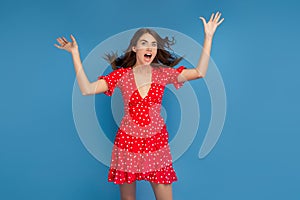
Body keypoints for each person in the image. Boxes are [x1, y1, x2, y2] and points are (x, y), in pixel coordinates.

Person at [55, 12, 224, 200]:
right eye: (144, 43)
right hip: (128, 143)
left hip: (156, 143)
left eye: (153, 44)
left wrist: (208, 37)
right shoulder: (121, 76)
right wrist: (75, 54)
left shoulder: (162, 74)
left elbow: (200, 72)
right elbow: (86, 89)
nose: (150, 47)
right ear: (134, 48)